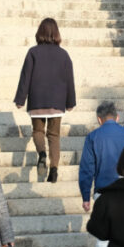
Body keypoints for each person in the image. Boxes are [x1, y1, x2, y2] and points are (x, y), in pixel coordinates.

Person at [78, 101, 124, 247]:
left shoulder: (93, 137)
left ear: (99, 119)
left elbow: (87, 169)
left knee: (104, 239)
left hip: (104, 193)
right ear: (117, 117)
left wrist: (85, 196)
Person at [13, 17, 76, 183]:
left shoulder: (33, 52)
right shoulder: (63, 54)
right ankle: (54, 168)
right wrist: (70, 102)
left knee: (38, 132)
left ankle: (41, 154)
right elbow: (69, 79)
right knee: (54, 135)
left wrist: (20, 99)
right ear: (56, 33)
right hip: (57, 102)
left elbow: (25, 77)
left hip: (37, 100)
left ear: (39, 32)